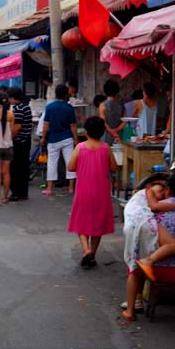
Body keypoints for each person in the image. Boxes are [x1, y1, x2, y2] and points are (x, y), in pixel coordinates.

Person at [122, 173, 175, 321]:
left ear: (168, 190)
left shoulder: (155, 213)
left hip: (161, 273)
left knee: (140, 260)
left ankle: (134, 303)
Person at [67, 116, 118, 269]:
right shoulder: (106, 148)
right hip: (101, 191)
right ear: (102, 132)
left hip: (83, 190)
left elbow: (70, 167)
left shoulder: (80, 147)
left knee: (81, 221)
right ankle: (93, 255)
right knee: (98, 224)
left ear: (86, 131)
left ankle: (86, 250)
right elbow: (114, 168)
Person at [41, 84, 78, 196]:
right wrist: (76, 139)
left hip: (53, 139)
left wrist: (43, 137)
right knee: (69, 162)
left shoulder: (50, 107)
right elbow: (73, 125)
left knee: (52, 163)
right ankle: (71, 188)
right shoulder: (69, 108)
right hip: (67, 138)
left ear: (55, 94)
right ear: (66, 94)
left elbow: (46, 124)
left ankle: (49, 189)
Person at [8, 87, 32, 201]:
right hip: (26, 140)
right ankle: (24, 192)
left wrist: (9, 138)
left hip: (19, 142)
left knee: (15, 168)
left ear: (13, 98)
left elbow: (17, 126)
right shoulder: (26, 107)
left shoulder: (18, 109)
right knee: (24, 167)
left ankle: (16, 193)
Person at [99, 79, 126, 144]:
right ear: (117, 90)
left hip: (107, 136)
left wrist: (111, 132)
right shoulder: (122, 105)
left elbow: (103, 123)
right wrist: (116, 131)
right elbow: (125, 121)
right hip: (119, 135)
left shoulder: (102, 105)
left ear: (105, 90)